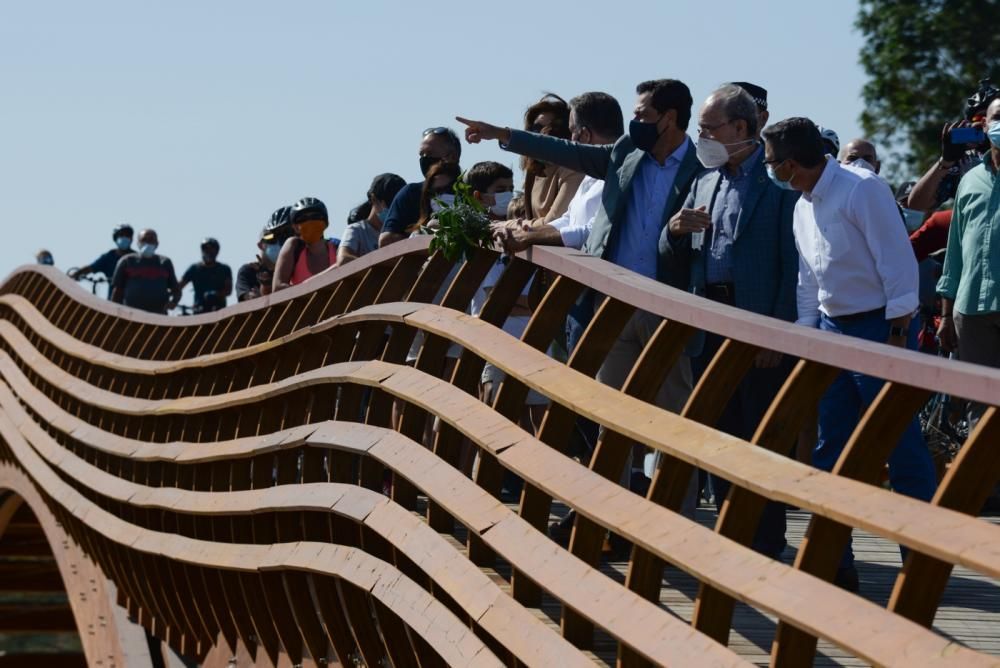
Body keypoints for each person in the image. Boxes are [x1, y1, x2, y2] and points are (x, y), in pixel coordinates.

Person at [458, 78, 705, 518]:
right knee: (610, 422)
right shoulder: (627, 153)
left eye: (644, 114)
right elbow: (567, 154)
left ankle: (677, 526)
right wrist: (503, 135)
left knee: (674, 424)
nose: (635, 122)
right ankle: (606, 521)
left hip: (669, 308)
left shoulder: (703, 169)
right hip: (612, 304)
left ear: (669, 118)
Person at [761, 117, 937, 591]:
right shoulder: (800, 203)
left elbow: (897, 261)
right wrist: (806, 336)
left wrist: (900, 334)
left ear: (792, 163)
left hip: (882, 326)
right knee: (829, 448)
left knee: (899, 445)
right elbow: (808, 279)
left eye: (771, 160)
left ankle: (921, 562)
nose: (767, 168)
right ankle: (835, 560)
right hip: (833, 330)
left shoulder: (863, 189)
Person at [665, 84, 798, 560]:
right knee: (718, 434)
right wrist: (674, 231)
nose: (701, 137)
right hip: (710, 324)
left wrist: (775, 334)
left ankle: (766, 539)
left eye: (708, 128)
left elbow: (791, 268)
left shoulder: (780, 183)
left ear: (740, 128)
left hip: (756, 325)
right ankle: (729, 532)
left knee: (760, 437)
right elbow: (674, 252)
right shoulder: (704, 180)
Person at [500, 92, 624, 256]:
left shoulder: (622, 176)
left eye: (572, 130)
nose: (570, 138)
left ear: (585, 135)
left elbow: (593, 231)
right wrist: (522, 229)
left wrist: (530, 235)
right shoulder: (590, 175)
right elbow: (568, 219)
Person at [937, 97, 1000, 376]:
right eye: (998, 116)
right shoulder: (970, 180)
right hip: (971, 310)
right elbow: (955, 254)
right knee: (980, 406)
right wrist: (947, 315)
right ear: (984, 125)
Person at [908, 79, 997, 212]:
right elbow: (917, 204)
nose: (984, 123)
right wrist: (945, 161)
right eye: (978, 118)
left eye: (996, 118)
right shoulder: (962, 161)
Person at [504, 94, 584, 231]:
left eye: (551, 130)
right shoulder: (533, 171)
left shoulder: (573, 171)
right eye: (536, 129)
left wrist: (508, 225)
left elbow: (553, 223)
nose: (542, 136)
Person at [379, 127, 463, 247]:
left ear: (452, 156)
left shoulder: (472, 192)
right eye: (421, 154)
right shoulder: (411, 193)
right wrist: (423, 239)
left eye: (429, 153)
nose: (424, 159)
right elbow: (386, 240)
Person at [339, 173, 406, 265]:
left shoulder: (403, 233)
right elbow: (343, 259)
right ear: (374, 199)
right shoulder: (357, 230)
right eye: (390, 207)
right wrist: (379, 269)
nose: (393, 212)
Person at [273, 197, 338, 291]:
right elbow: (278, 287)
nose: (309, 221)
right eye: (302, 219)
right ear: (295, 227)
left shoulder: (337, 247)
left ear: (326, 223)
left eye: (315, 216)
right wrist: (310, 288)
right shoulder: (294, 247)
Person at [110, 228, 181, 314]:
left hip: (158, 316)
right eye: (144, 240)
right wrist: (114, 312)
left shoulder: (165, 262)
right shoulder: (127, 261)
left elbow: (176, 290)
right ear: (138, 243)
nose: (148, 242)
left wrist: (174, 302)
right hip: (131, 315)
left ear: (157, 243)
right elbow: (117, 291)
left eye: (151, 240)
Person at [235, 206, 293, 302]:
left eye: (284, 236)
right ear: (260, 245)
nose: (277, 243)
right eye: (270, 239)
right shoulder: (249, 271)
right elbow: (250, 300)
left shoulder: (296, 264)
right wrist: (265, 280)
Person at [68, 224, 135, 296]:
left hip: (133, 300)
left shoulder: (136, 258)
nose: (124, 238)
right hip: (114, 300)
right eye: (121, 235)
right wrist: (75, 274)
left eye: (127, 235)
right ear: (115, 238)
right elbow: (91, 268)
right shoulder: (109, 257)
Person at [178, 237, 232, 312]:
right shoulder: (194, 269)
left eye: (211, 250)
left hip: (218, 311)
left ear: (216, 252)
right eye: (205, 249)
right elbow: (178, 287)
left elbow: (228, 291)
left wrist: (216, 294)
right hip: (199, 310)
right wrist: (169, 297)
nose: (208, 252)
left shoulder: (224, 269)